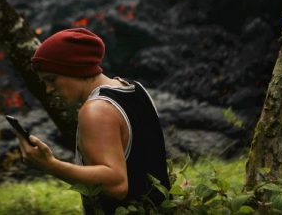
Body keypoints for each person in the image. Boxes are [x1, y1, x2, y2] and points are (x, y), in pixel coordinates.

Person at [13, 28, 170, 214]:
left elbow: (117, 185)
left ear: (74, 69)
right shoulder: (136, 89)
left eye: (51, 79)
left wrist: (51, 165)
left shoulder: (96, 111)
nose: (48, 89)